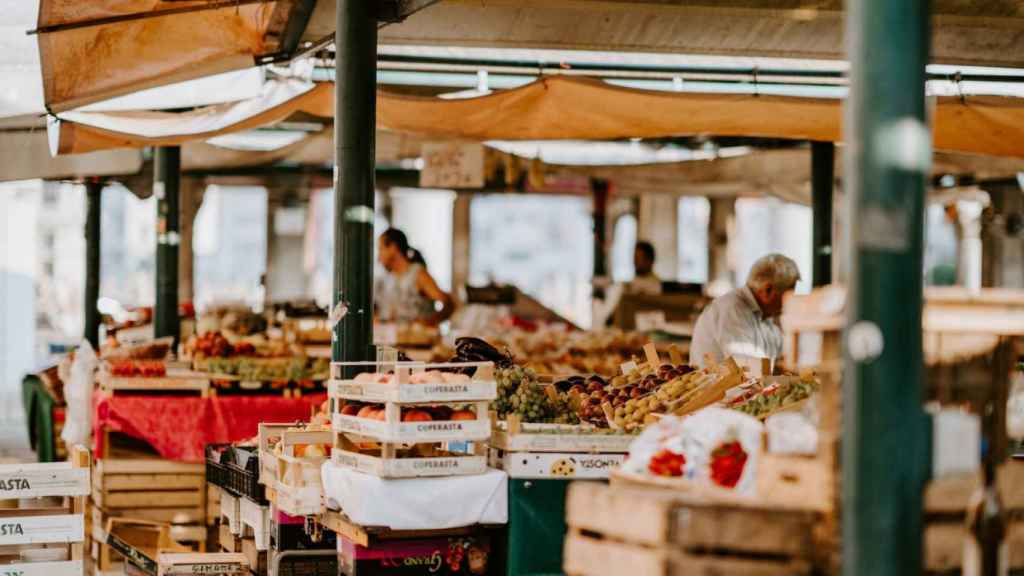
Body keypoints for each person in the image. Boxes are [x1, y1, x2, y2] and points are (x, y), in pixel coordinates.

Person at [689, 253, 800, 367]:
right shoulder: (732, 310)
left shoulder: (766, 316)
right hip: (721, 384)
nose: (790, 301)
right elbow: (751, 369)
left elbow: (779, 362)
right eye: (787, 294)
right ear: (768, 290)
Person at [375, 228, 455, 326]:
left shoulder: (417, 274)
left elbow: (449, 303)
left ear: (393, 248)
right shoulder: (389, 279)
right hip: (396, 339)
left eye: (381, 249)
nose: (378, 257)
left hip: (418, 340)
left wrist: (429, 322)